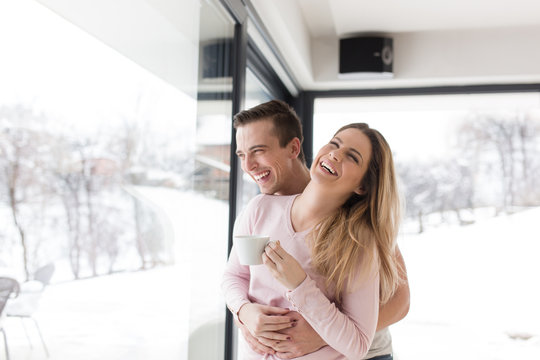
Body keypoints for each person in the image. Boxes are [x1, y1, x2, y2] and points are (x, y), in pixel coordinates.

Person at [222, 100, 409, 359]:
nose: (247, 167)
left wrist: (318, 333)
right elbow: (240, 277)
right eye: (242, 155)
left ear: (294, 148)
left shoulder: (355, 225)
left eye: (259, 151)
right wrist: (245, 315)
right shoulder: (262, 208)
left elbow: (400, 301)